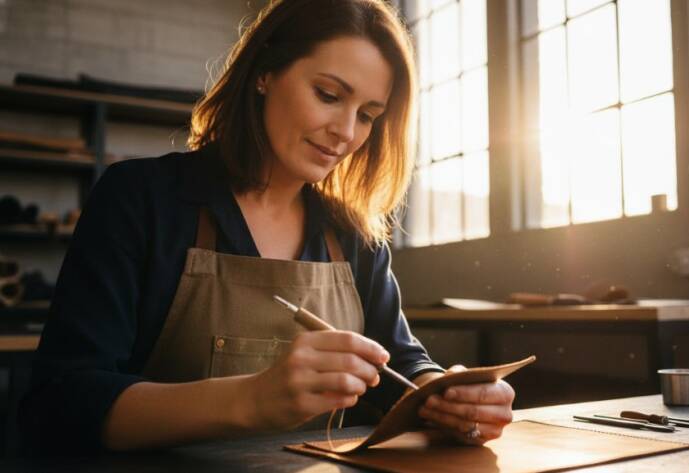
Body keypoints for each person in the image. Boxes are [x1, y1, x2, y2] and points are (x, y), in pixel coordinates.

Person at [19, 0, 515, 455]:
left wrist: (451, 395)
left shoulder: (353, 235)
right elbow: (62, 402)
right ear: (264, 73)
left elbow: (399, 369)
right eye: (328, 95)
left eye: (367, 115)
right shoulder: (140, 198)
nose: (346, 132)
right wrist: (252, 400)